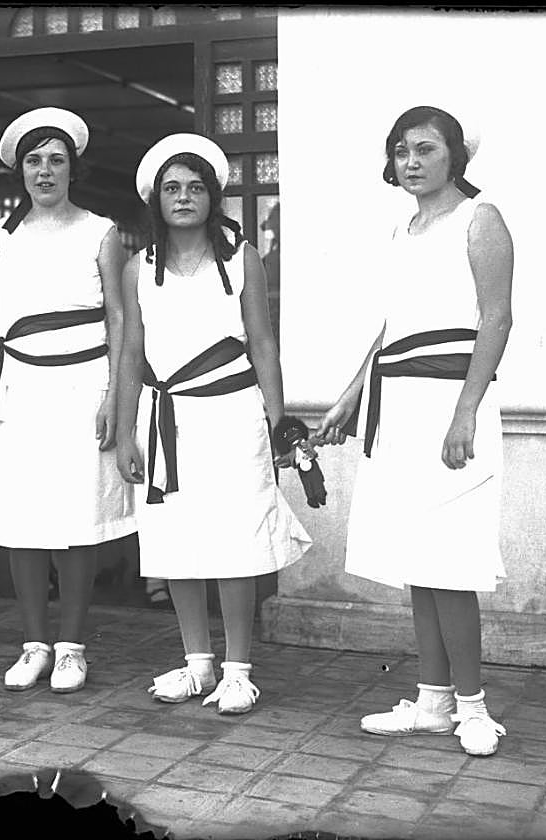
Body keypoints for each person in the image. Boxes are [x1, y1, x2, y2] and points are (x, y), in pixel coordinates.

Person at [315, 105, 513, 756]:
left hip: (450, 403)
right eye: (401, 150)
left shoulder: (480, 219)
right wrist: (350, 397)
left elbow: (496, 319)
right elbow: (392, 328)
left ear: (455, 155)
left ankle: (473, 708)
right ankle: (433, 701)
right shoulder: (402, 229)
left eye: (425, 149)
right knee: (420, 561)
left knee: (452, 560)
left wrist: (465, 411)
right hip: (397, 406)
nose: (411, 162)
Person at [116, 134, 311, 715]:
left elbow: (263, 343)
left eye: (195, 187)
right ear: (156, 200)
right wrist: (125, 432)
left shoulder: (239, 257)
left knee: (234, 537)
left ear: (213, 197)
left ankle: (238, 669)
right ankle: (197, 662)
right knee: (176, 537)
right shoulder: (138, 268)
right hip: (166, 417)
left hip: (231, 412)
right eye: (172, 188)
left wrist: (278, 423)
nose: (184, 198)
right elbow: (130, 352)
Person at [0, 107, 134, 693]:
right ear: (21, 171)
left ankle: (70, 648)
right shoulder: (3, 236)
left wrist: (113, 395)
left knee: (75, 519)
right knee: (23, 519)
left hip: (82, 386)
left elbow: (118, 316)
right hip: (18, 388)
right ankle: (34, 644)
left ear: (72, 169)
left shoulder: (100, 231)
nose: (44, 171)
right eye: (34, 161)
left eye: (56, 160)